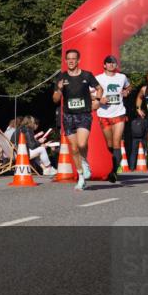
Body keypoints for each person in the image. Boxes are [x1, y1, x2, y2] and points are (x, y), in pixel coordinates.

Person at [52, 48, 102, 190]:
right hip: (68, 116)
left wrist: (97, 100)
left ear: (78, 60)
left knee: (81, 144)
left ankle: (85, 162)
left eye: (74, 58)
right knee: (73, 149)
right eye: (69, 59)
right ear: (66, 61)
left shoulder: (87, 75)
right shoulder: (61, 77)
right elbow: (55, 99)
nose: (71, 61)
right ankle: (80, 177)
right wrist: (60, 89)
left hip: (84, 114)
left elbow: (99, 89)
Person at [95, 55, 131, 184]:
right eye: (108, 63)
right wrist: (99, 99)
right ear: (104, 65)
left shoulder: (122, 77)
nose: (111, 65)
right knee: (109, 145)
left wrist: (127, 91)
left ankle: (114, 172)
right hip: (104, 115)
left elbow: (128, 87)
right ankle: (116, 161)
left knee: (116, 143)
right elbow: (89, 92)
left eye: (113, 63)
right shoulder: (98, 78)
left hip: (119, 113)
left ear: (116, 65)